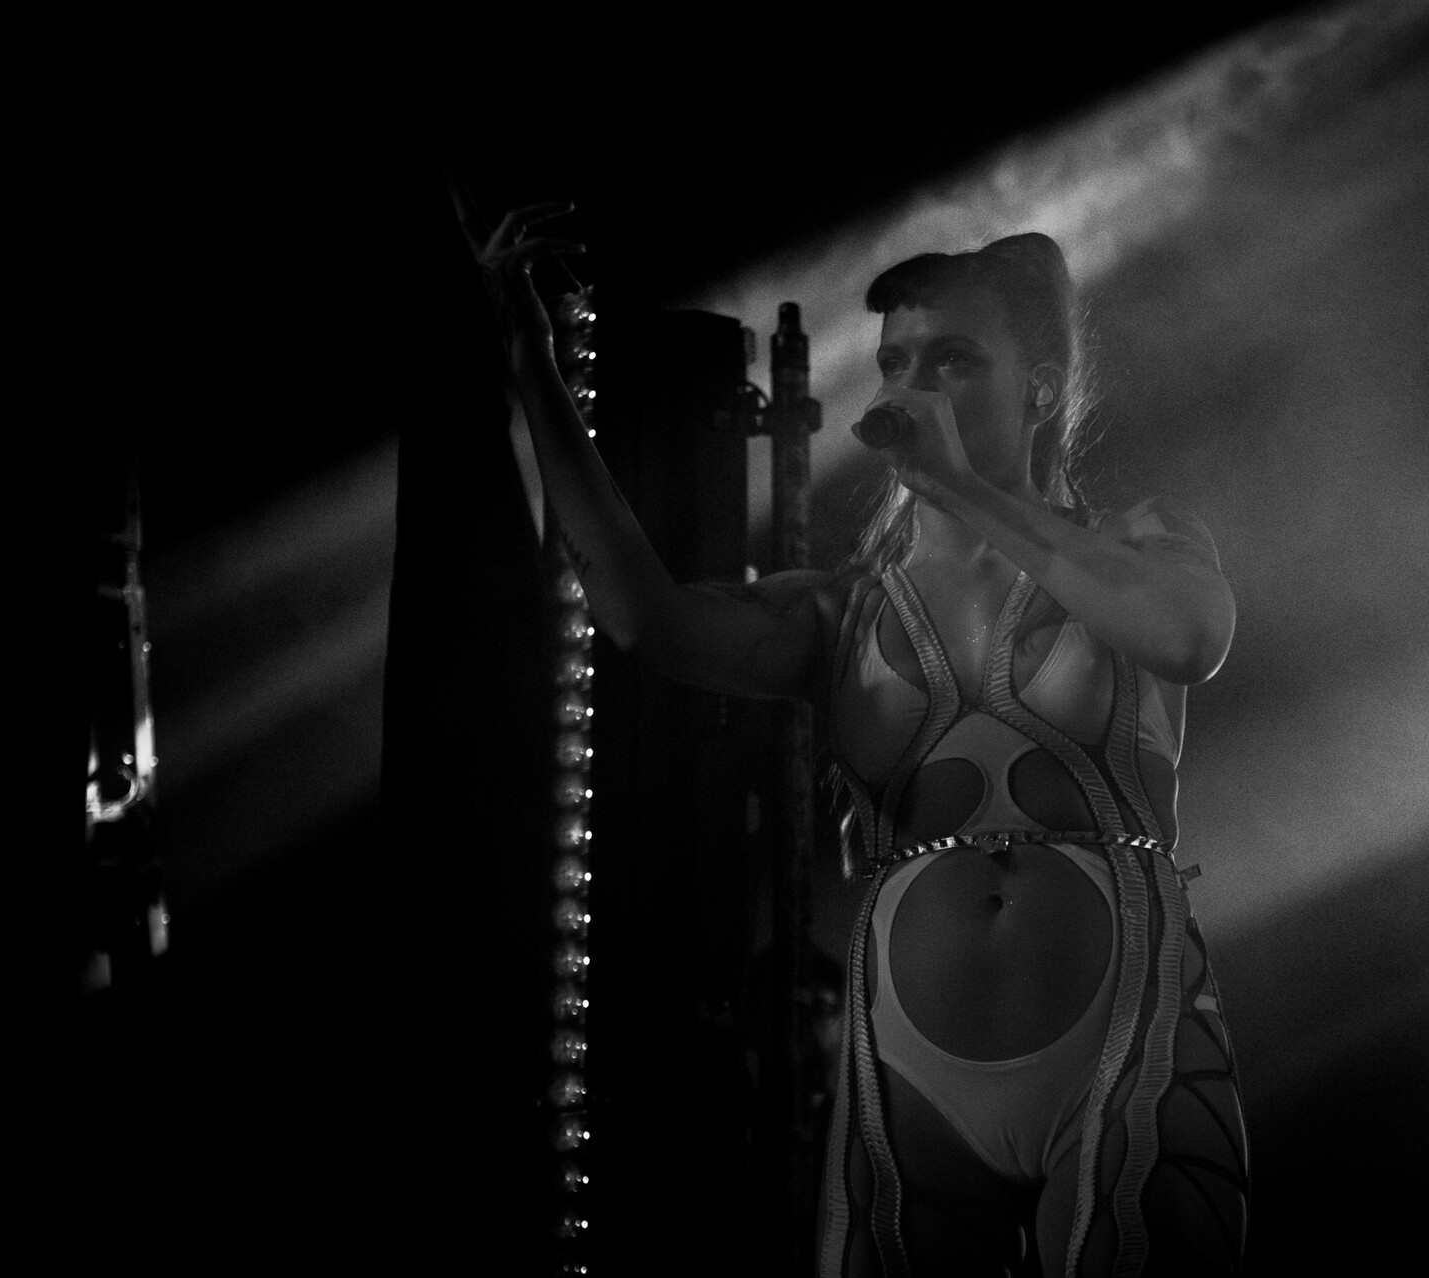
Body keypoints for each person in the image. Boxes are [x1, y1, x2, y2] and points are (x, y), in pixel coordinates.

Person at [469, 200, 1249, 1276]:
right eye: (894, 362)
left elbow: (1189, 637)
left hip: (1130, 1045)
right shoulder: (840, 613)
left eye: (953, 360)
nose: (911, 388)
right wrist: (533, 371)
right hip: (910, 1085)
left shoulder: (1142, 541)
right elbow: (645, 617)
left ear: (1038, 389)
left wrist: (968, 493)